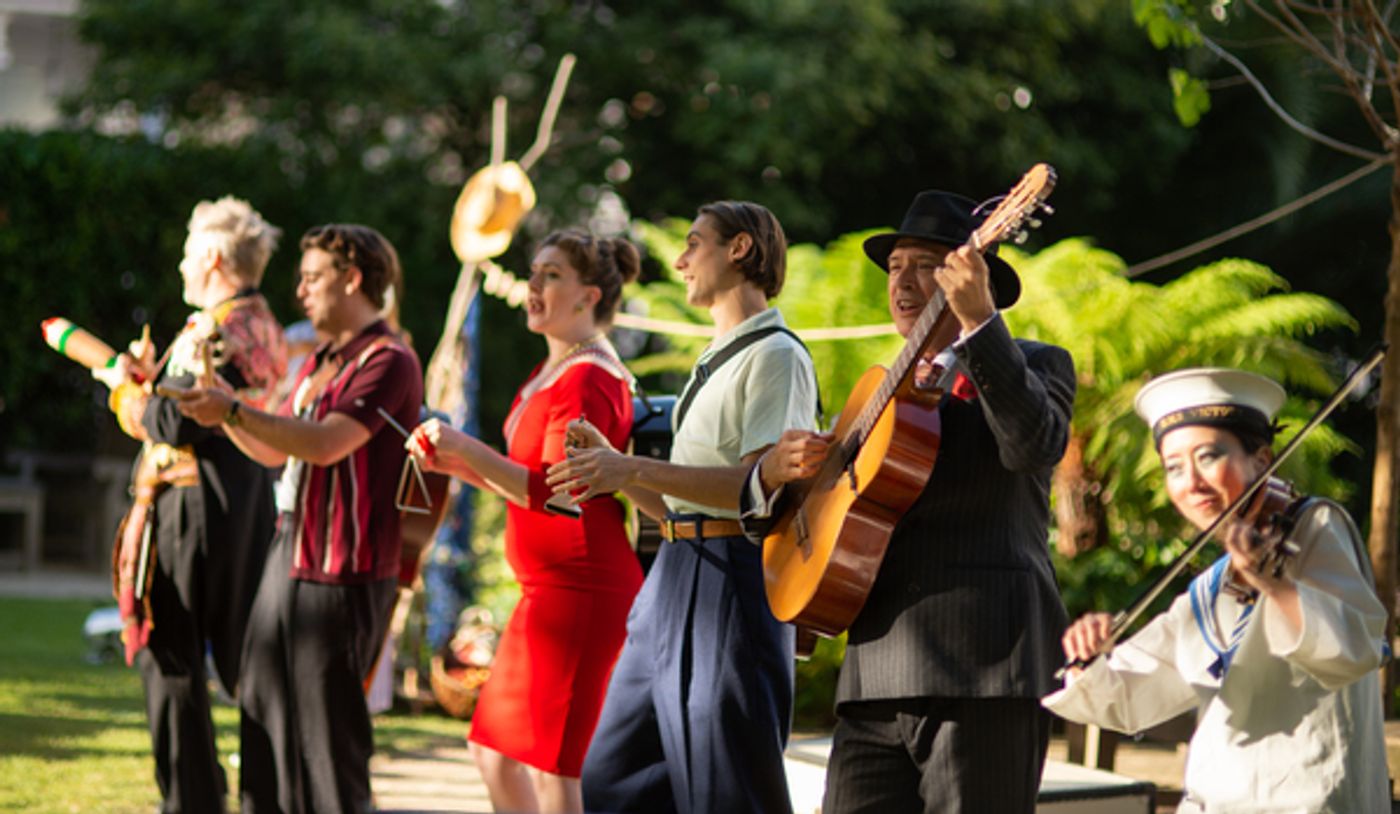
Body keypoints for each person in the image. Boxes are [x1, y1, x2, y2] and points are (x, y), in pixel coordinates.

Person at [754, 190, 1075, 813]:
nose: (901, 280)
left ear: (966, 275)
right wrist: (793, 483)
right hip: (874, 671)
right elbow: (843, 520)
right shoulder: (874, 393)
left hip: (985, 664)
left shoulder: (1036, 362)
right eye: (894, 265)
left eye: (924, 264)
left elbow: (1034, 446)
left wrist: (983, 326)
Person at [544, 201, 819, 814]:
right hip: (673, 575)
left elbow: (761, 490)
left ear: (740, 249)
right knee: (616, 779)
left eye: (695, 243)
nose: (679, 259)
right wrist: (611, 468)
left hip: (733, 582)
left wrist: (631, 465)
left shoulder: (776, 354)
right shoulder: (714, 358)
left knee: (726, 789)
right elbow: (681, 501)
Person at [1046, 367, 1389, 812]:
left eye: (1208, 456)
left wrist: (1274, 583)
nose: (1191, 482)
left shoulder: (1316, 525)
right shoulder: (1211, 586)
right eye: (1174, 467)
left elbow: (1355, 647)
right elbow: (1134, 695)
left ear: (1262, 461)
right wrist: (1088, 657)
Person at [174, 223, 424, 814]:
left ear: (353, 278)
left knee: (327, 743)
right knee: (261, 716)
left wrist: (233, 408)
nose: (301, 292)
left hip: (346, 568)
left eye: (313, 277)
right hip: (288, 551)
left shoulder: (389, 359)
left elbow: (323, 443)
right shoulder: (322, 361)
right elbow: (274, 449)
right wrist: (221, 413)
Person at [403, 230, 645, 813]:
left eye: (552, 275)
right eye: (533, 273)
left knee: (555, 768)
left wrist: (466, 444)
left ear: (589, 296)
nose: (533, 286)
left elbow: (561, 495)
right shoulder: (552, 372)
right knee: (493, 752)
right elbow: (521, 482)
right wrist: (452, 464)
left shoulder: (590, 377)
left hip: (583, 589)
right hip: (544, 591)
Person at [97, 195, 287, 814]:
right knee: (243, 660)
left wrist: (126, 394)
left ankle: (192, 802)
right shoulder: (261, 320)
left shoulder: (212, 328)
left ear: (210, 256)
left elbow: (176, 423)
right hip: (247, 501)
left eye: (186, 251)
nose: (181, 265)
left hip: (193, 506)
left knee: (172, 654)